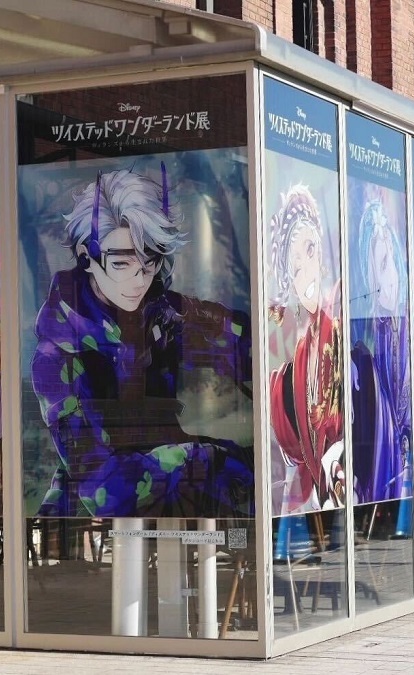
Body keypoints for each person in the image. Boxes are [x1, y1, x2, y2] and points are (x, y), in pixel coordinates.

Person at [31, 165, 254, 519]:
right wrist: (206, 459)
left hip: (175, 506)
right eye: (121, 264)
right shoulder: (57, 356)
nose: (139, 280)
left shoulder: (160, 312)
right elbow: (106, 489)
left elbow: (251, 349)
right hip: (86, 528)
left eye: (149, 262)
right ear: (87, 258)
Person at [268, 184, 345, 514]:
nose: (305, 273)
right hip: (318, 493)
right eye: (295, 268)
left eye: (310, 250)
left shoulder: (338, 316)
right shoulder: (295, 357)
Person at [350, 195, 411, 505]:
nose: (391, 278)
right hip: (386, 466)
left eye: (393, 262)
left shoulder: (408, 328)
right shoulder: (371, 337)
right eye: (382, 266)